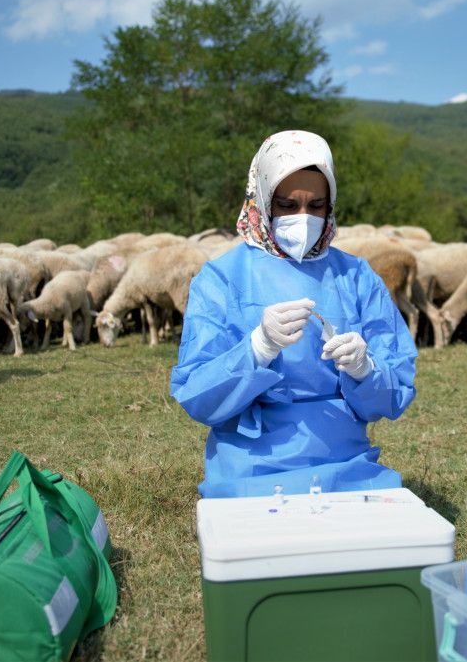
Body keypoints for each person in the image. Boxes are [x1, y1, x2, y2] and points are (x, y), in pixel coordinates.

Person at [170, 130, 417, 498]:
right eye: (287, 205)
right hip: (251, 466)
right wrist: (257, 347)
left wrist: (366, 370)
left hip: (346, 464)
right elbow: (198, 396)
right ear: (263, 199)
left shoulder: (356, 277)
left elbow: (395, 389)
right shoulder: (222, 279)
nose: (303, 219)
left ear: (330, 204)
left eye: (316, 206)